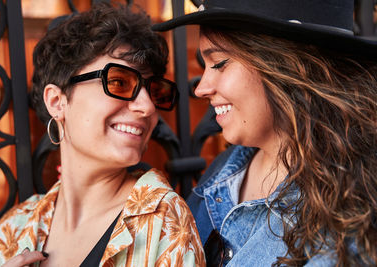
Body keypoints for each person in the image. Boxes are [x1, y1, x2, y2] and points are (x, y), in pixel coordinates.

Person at [153, 0, 377, 266]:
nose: (201, 88)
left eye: (220, 63)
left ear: (287, 65)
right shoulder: (228, 166)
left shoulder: (350, 217)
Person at [0, 3, 205, 267]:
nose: (147, 107)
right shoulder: (9, 233)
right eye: (119, 82)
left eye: (155, 91)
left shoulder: (162, 223)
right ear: (57, 101)